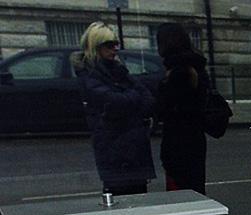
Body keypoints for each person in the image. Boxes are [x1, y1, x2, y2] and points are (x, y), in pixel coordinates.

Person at [73, 21, 155, 195]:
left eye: (116, 44)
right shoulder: (89, 75)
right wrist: (133, 100)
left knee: (140, 202)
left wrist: (131, 101)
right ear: (95, 47)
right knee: (121, 204)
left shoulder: (118, 70)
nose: (115, 49)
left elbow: (148, 99)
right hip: (114, 152)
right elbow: (115, 102)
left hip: (134, 150)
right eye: (109, 45)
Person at [156, 23, 211, 194]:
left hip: (177, 142)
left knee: (180, 193)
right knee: (195, 187)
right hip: (195, 138)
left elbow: (164, 108)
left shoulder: (177, 72)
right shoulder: (197, 67)